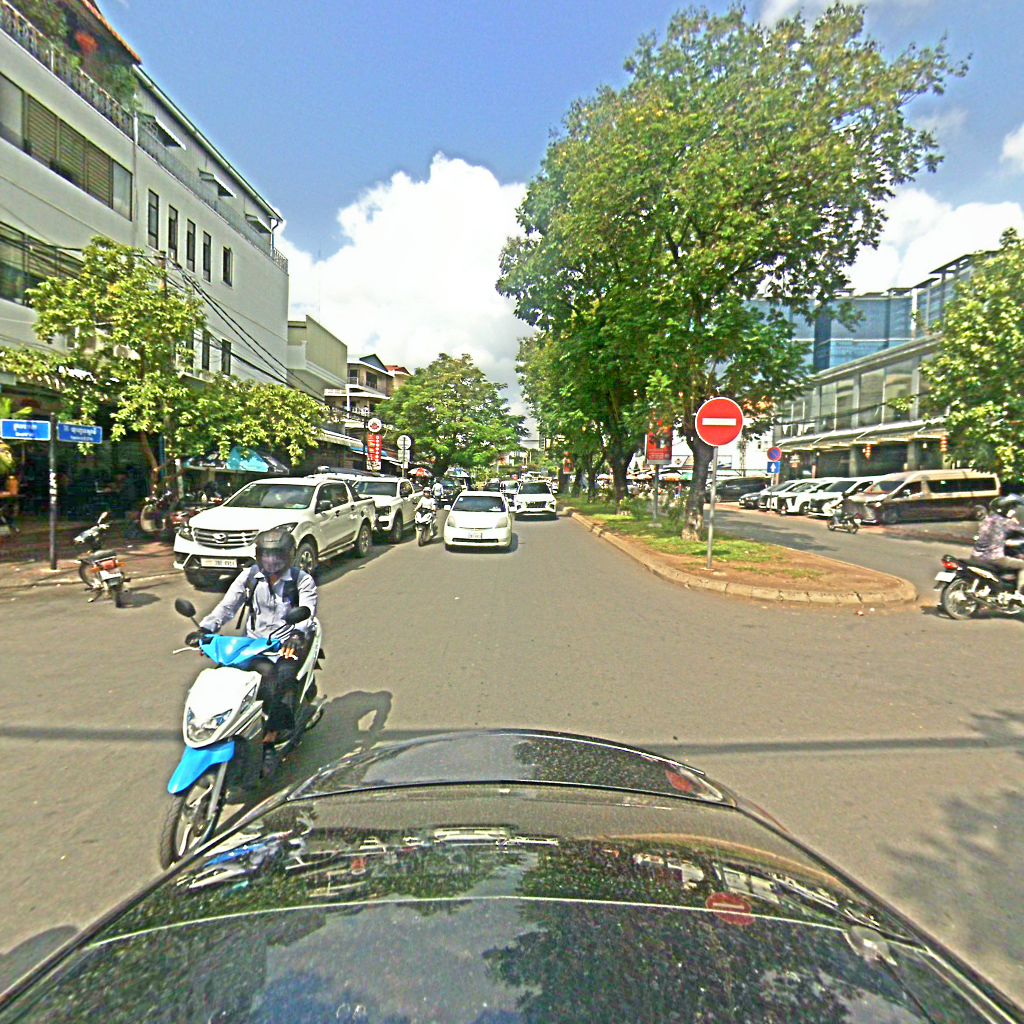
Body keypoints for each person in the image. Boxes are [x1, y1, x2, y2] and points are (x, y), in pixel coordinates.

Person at [188, 527, 318, 743]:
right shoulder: (249, 576)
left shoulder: (301, 580)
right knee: (223, 676)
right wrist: (205, 629)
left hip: (286, 644)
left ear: (289, 555)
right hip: (254, 644)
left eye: (277, 555)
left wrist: (296, 635)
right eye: (266, 555)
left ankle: (274, 733)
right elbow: (227, 607)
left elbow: (307, 611)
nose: (271, 561)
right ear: (258, 555)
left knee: (280, 679)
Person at [971, 495, 1024, 596]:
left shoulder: (986, 520)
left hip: (976, 556)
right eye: (1012, 508)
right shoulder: (1005, 522)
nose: (1013, 511)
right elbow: (1021, 530)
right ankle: (1020, 594)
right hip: (994, 558)